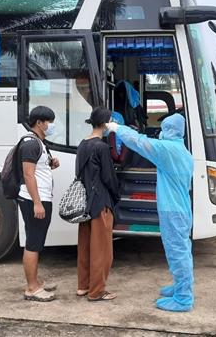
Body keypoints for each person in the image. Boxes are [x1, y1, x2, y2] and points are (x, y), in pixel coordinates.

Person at [107, 113, 195, 312]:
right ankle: (179, 286)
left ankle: (183, 298)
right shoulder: (182, 151)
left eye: (164, 128)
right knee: (180, 251)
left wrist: (117, 128)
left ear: (169, 130)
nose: (161, 131)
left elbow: (139, 142)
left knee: (177, 253)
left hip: (172, 210)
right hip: (180, 208)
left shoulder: (167, 150)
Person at [76, 107, 120, 301]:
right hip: (101, 202)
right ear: (104, 124)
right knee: (102, 251)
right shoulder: (102, 147)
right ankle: (97, 291)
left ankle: (83, 287)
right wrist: (115, 197)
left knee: (85, 247)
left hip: (85, 202)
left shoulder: (82, 144)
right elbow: (109, 178)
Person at [19, 106, 60, 302]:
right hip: (34, 199)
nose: (51, 125)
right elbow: (28, 174)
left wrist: (50, 163)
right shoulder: (30, 143)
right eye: (49, 121)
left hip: (41, 197)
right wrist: (37, 203)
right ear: (39, 123)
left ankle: (35, 282)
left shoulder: (39, 142)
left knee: (36, 241)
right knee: (33, 243)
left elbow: (37, 168)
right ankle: (32, 288)